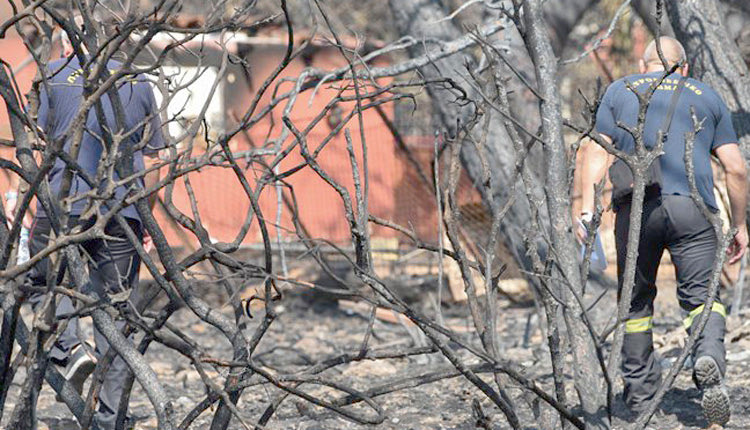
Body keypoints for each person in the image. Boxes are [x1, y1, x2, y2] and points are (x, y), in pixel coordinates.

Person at [578, 37, 748, 426]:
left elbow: (595, 150)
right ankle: (707, 354)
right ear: (684, 68)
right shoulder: (706, 95)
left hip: (638, 209)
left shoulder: (619, 90)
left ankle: (640, 398)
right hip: (694, 210)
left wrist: (588, 210)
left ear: (643, 63)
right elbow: (736, 168)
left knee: (635, 305)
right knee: (703, 298)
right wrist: (739, 224)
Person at [14, 16, 165, 429]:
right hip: (122, 212)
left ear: (66, 45)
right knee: (116, 314)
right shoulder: (138, 81)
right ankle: (109, 419)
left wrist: (26, 205)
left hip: (61, 206)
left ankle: (69, 349)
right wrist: (146, 215)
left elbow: (36, 146)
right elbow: (155, 160)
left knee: (45, 284)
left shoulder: (52, 78)